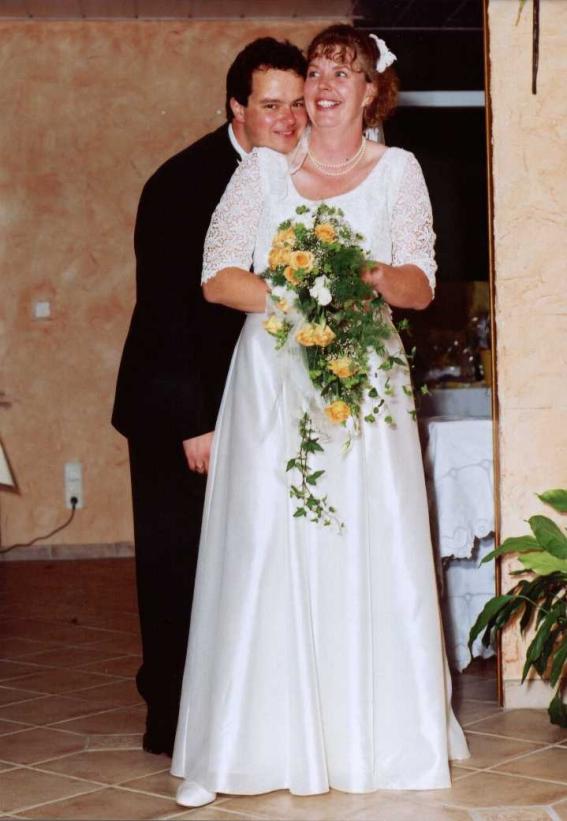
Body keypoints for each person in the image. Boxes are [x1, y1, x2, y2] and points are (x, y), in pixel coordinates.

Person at [171, 25, 469, 805]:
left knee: (364, 543)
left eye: (345, 71)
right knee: (264, 546)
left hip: (363, 386)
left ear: (372, 91)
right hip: (272, 383)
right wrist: (300, 293)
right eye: (317, 70)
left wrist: (361, 274)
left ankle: (372, 737)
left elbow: (419, 286)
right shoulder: (264, 169)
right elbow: (216, 276)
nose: (326, 83)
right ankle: (240, 746)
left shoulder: (397, 171)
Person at [111, 38, 307, 756]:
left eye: (296, 104)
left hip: (254, 398)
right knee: (178, 563)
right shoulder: (182, 183)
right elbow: (165, 313)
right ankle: (168, 717)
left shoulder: (295, 172)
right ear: (235, 108)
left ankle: (241, 709)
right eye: (270, 105)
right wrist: (195, 423)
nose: (288, 120)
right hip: (177, 407)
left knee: (243, 560)